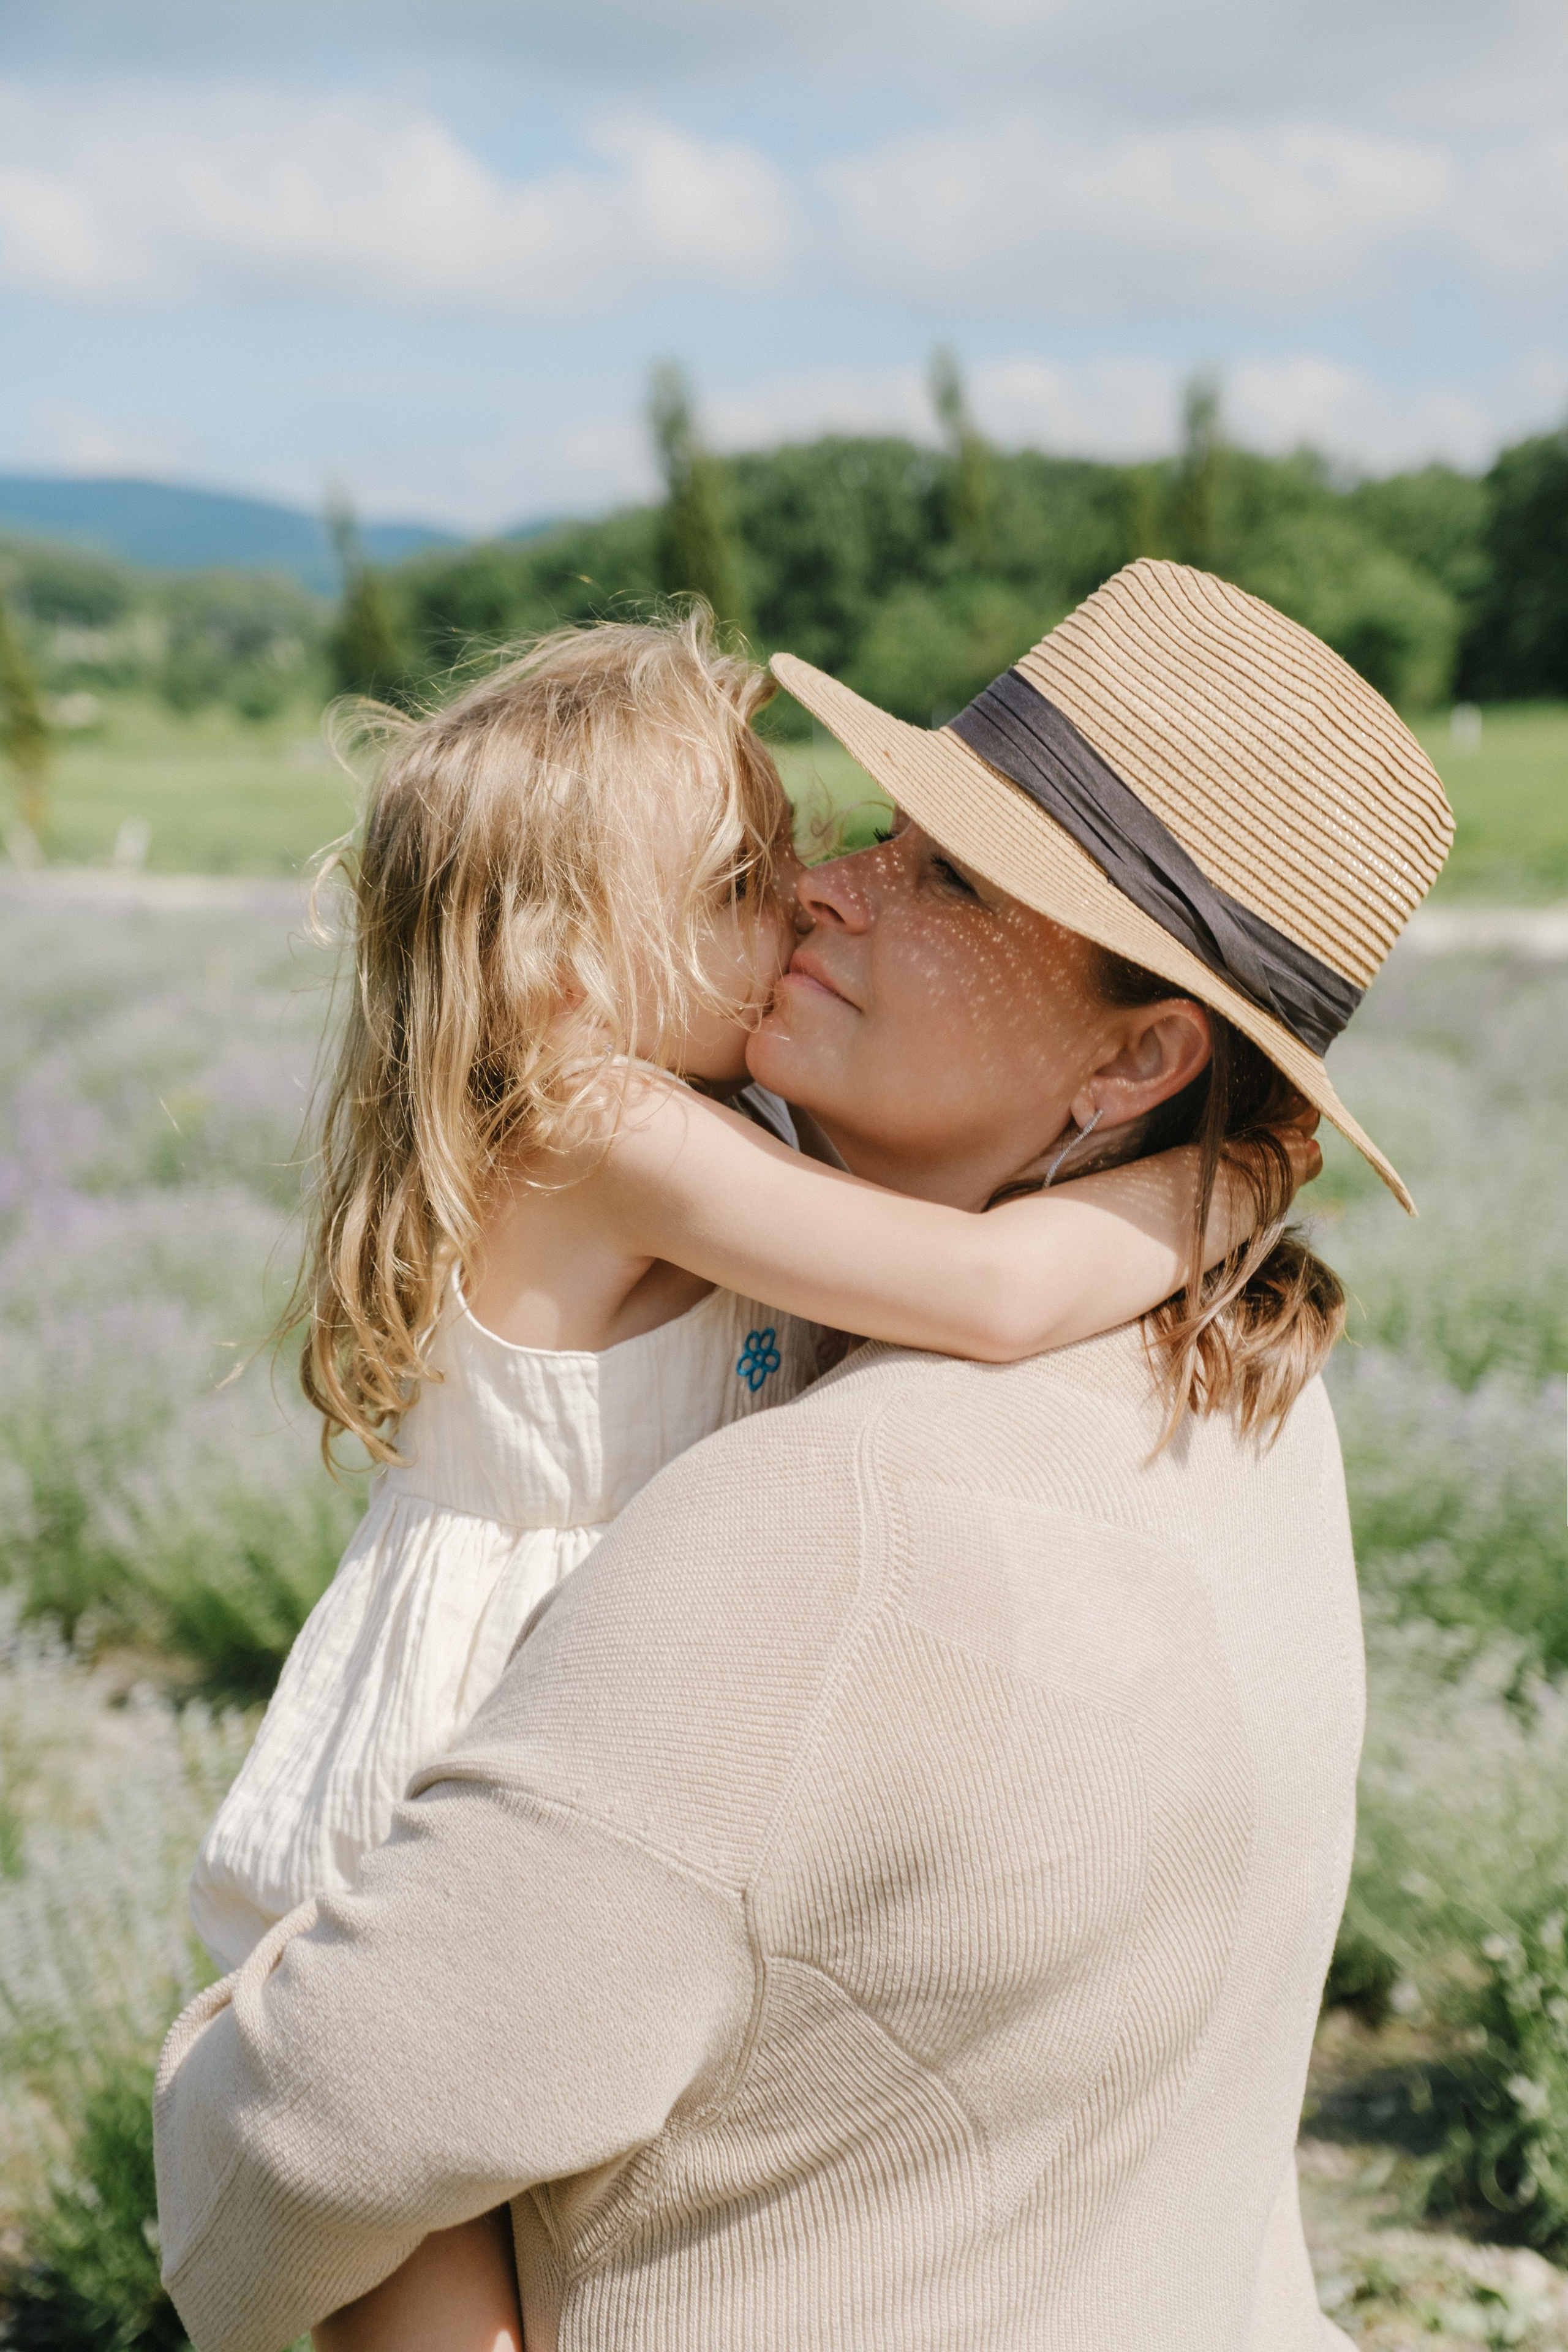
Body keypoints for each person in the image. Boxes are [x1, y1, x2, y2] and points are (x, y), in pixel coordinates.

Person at [155, 559, 1453, 2352]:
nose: (830, 885)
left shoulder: (816, 1526)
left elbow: (316, 2133)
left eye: (940, 875)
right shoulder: (1250, 1400)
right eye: (838, 845)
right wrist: (1224, 1177)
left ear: (1137, 1055)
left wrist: (209, 2084)